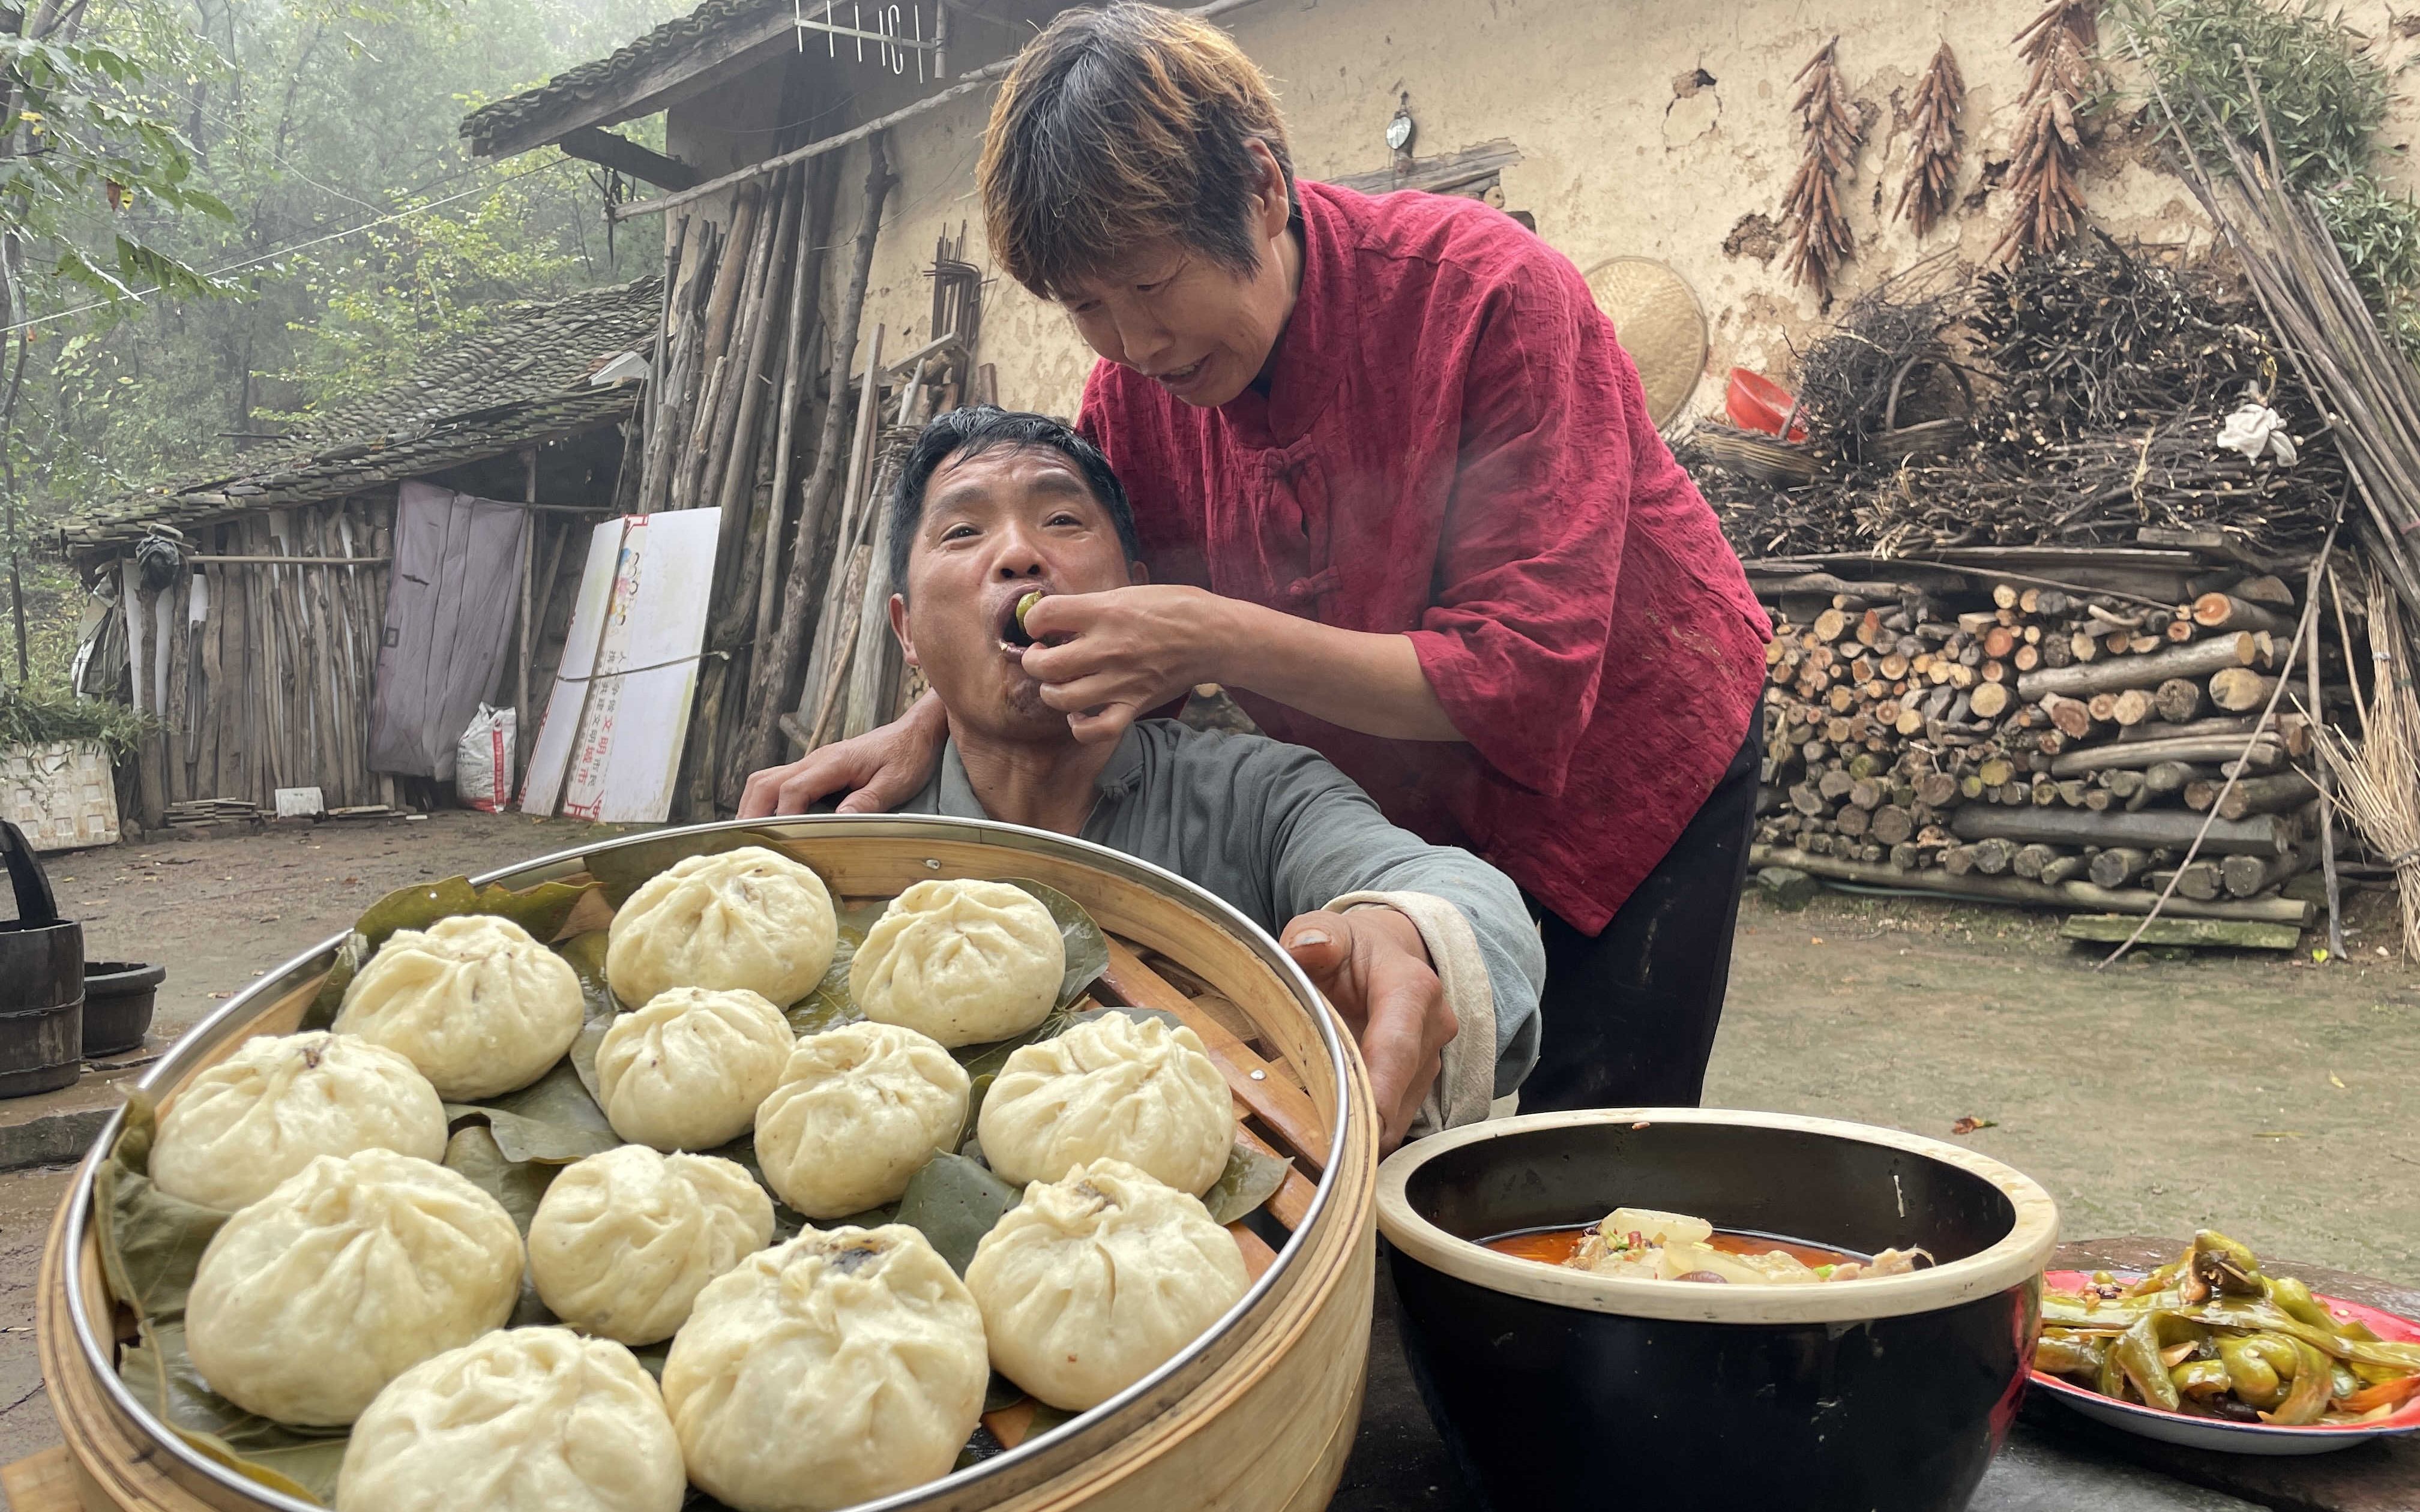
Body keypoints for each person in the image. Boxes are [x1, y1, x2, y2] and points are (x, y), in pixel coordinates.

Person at [743, 3, 1765, 1118]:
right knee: (1407, 1089)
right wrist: (939, 715)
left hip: (1633, 766)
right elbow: (1107, 639)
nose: (1134, 345)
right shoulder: (1135, 402)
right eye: (1086, 307)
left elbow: (1523, 679)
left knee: (1594, 1141)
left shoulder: (1486, 297)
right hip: (1406, 803)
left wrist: (1213, 631)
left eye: (1149, 283)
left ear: (1262, 189)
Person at [857, 404, 1541, 1150]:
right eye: (964, 531)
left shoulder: (1256, 797)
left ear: (1138, 593)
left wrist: (1404, 933)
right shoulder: (851, 835)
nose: (1019, 554)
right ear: (907, 631)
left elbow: (1461, 895)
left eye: (1063, 521)